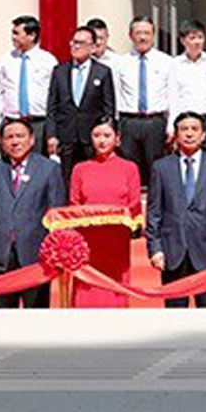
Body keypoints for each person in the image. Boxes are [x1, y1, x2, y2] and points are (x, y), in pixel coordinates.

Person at [0, 117, 67, 308]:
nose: (15, 141)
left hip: (37, 258)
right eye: (9, 137)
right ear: (2, 142)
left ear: (32, 139)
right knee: (3, 317)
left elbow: (57, 216)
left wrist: (56, 254)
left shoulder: (49, 169)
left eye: (20, 136)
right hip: (2, 256)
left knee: (35, 317)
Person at [147, 112, 206, 308]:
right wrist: (155, 249)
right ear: (176, 135)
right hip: (173, 253)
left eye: (194, 129)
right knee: (176, 316)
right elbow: (154, 212)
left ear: (204, 135)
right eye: (184, 129)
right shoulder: (161, 168)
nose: (189, 134)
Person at [68, 116, 141, 308]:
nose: (101, 140)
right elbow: (74, 203)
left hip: (116, 238)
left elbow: (134, 203)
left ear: (117, 139)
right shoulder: (80, 169)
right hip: (87, 240)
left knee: (114, 289)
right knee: (87, 291)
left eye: (107, 135)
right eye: (96, 135)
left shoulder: (129, 168)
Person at [45, 25, 117, 182]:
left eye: (81, 43)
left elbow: (108, 108)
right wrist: (51, 135)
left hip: (91, 139)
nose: (76, 46)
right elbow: (52, 107)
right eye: (73, 42)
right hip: (66, 137)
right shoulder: (59, 71)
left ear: (92, 47)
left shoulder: (103, 72)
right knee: (66, 180)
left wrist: (104, 136)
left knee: (92, 180)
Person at [114, 15, 175, 186]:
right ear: (130, 36)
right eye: (138, 33)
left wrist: (171, 126)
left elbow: (172, 95)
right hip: (128, 122)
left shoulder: (166, 62)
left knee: (156, 169)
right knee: (129, 169)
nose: (143, 37)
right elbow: (116, 94)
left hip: (155, 122)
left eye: (147, 33)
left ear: (153, 35)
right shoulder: (121, 62)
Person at [0, 15, 56, 153]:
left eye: (17, 33)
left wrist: (52, 132)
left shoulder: (48, 61)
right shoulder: (5, 60)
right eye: (12, 33)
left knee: (37, 167)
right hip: (11, 121)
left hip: (38, 123)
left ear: (31, 35)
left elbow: (55, 96)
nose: (13, 37)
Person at [167, 18, 206, 158]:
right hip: (184, 121)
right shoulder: (175, 65)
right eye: (192, 38)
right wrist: (171, 126)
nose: (197, 42)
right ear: (183, 40)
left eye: (200, 37)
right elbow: (173, 97)